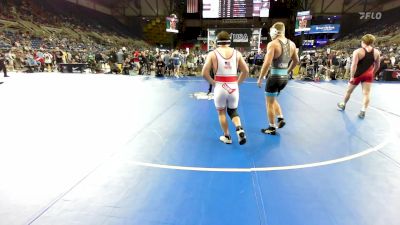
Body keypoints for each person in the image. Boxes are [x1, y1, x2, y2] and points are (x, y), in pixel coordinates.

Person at [202, 31, 249, 145]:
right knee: (233, 111)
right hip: (233, 86)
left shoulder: (213, 54)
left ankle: (227, 136)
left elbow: (204, 73)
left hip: (220, 86)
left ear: (217, 41)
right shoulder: (237, 53)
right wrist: (237, 83)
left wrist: (213, 83)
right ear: (229, 41)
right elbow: (246, 71)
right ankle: (239, 128)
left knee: (221, 113)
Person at [257, 22, 299, 135]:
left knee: (269, 103)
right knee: (273, 99)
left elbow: (267, 63)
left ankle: (271, 127)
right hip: (284, 78)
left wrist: (260, 77)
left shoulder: (273, 44)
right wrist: (288, 71)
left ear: (275, 31)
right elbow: (296, 61)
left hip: (274, 77)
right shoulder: (292, 44)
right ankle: (280, 118)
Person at [337, 34, 380, 119]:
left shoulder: (358, 51)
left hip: (357, 74)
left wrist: (352, 76)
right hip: (368, 75)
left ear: (363, 41)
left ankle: (343, 104)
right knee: (366, 94)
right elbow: (377, 65)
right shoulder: (376, 52)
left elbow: (354, 65)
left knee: (349, 91)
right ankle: (363, 111)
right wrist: (373, 73)